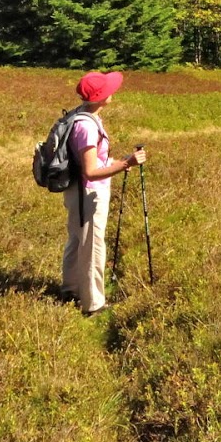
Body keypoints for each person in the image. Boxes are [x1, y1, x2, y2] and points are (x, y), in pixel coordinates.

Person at [61, 70, 145, 316]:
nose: (113, 91)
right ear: (99, 97)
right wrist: (126, 164)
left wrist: (114, 161)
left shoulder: (80, 115)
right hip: (88, 194)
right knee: (93, 247)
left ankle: (70, 289)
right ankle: (93, 304)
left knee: (77, 240)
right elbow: (90, 171)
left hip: (76, 192)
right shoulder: (87, 127)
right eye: (109, 89)